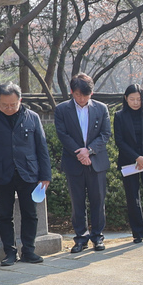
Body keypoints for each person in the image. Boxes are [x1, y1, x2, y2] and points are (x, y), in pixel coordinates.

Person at [0, 83, 51, 265]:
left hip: (28, 172)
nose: (9, 108)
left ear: (20, 100)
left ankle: (29, 250)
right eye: (5, 105)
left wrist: (45, 176)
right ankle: (10, 252)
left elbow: (42, 148)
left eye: (13, 105)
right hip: (0, 173)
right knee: (4, 215)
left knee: (30, 213)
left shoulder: (32, 117)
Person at [54, 73, 111, 253]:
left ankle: (97, 237)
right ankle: (80, 238)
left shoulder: (101, 109)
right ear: (72, 92)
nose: (81, 99)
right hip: (74, 162)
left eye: (85, 95)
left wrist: (89, 150)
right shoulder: (62, 109)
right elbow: (63, 135)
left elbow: (105, 134)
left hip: (96, 162)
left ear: (91, 93)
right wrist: (80, 153)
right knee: (77, 202)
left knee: (98, 201)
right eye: (78, 95)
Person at [113, 84, 143, 244]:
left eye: (138, 99)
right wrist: (137, 157)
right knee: (132, 197)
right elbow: (119, 140)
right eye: (132, 99)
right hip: (129, 162)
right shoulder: (119, 116)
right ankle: (138, 233)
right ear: (126, 99)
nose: (135, 102)